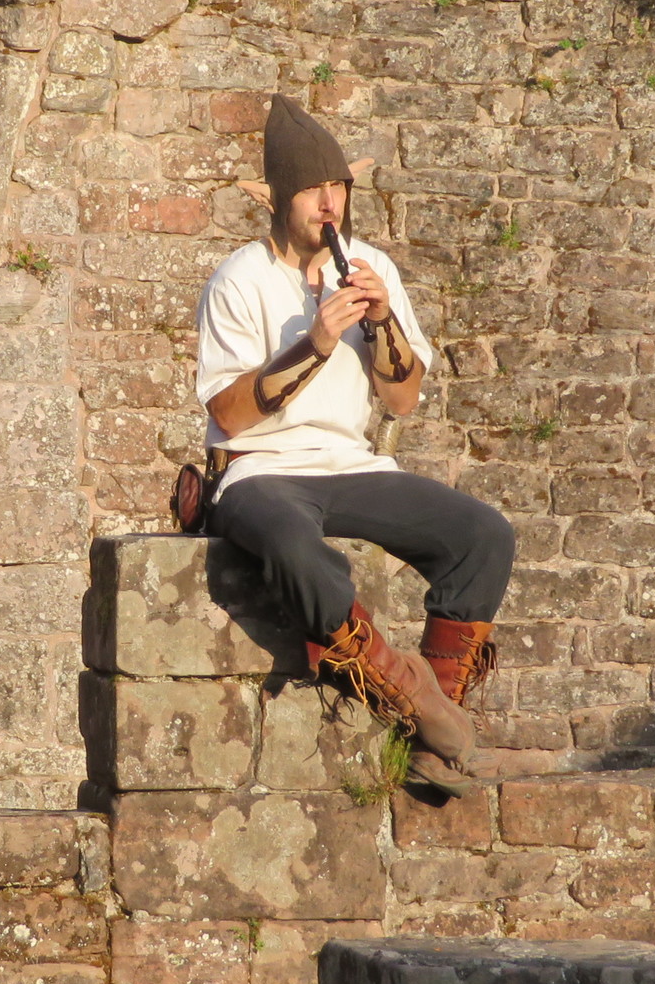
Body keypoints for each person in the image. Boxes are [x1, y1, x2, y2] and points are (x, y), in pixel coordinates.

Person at [195, 95, 515, 795]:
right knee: (291, 545)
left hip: (350, 465)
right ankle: (420, 706)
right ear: (275, 199)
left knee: (482, 535)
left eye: (338, 187)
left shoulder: (371, 266)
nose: (329, 204)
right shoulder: (239, 279)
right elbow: (229, 414)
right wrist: (314, 343)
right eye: (311, 190)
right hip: (257, 472)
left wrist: (381, 320)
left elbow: (402, 399)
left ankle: (434, 735)